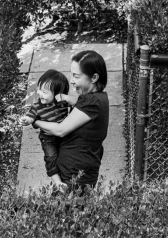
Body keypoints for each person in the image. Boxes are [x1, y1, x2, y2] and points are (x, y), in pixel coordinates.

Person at [34, 50, 109, 193]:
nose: (72, 80)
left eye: (76, 76)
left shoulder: (92, 101)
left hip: (74, 176)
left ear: (94, 77)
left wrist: (35, 121)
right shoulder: (96, 98)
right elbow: (79, 105)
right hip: (74, 172)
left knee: (65, 212)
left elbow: (60, 130)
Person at [19, 69, 71, 189]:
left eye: (44, 92)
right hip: (48, 139)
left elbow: (77, 104)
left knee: (64, 157)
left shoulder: (63, 103)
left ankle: (64, 175)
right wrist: (26, 120)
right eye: (39, 89)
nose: (39, 94)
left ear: (58, 94)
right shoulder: (37, 106)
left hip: (63, 136)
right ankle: (57, 182)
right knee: (51, 157)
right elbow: (31, 117)